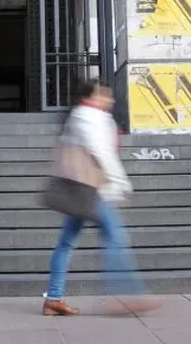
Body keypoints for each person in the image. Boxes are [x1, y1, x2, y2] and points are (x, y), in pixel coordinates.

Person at [42, 80, 157, 317]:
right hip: (89, 189)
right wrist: (121, 182)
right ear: (89, 96)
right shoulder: (87, 116)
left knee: (67, 242)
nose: (109, 99)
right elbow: (101, 151)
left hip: (85, 189)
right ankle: (127, 295)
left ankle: (54, 298)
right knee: (115, 235)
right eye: (103, 95)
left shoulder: (90, 116)